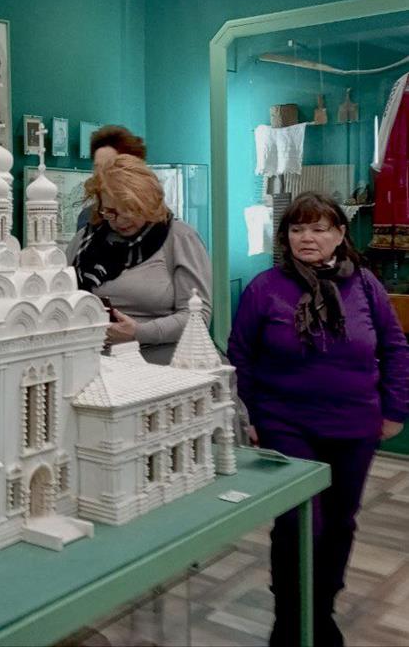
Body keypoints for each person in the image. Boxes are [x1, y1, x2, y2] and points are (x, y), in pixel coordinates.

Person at [227, 192, 409, 646]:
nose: (306, 237)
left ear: (340, 234)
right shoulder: (265, 288)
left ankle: (322, 609)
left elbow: (395, 347)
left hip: (354, 425)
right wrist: (249, 414)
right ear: (285, 236)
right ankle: (290, 617)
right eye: (297, 229)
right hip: (286, 423)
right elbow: (241, 354)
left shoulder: (365, 285)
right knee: (298, 523)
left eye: (318, 228)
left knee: (341, 521)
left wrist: (395, 408)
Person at [67, 154, 212, 364]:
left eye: (130, 211)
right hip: (94, 362)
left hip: (161, 363)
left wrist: (138, 332)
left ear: (149, 204)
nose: (120, 221)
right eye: (110, 212)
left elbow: (198, 318)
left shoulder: (179, 238)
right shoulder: (85, 239)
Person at [76, 124, 147, 230]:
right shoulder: (87, 217)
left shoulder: (150, 215)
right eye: (97, 167)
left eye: (109, 167)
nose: (100, 175)